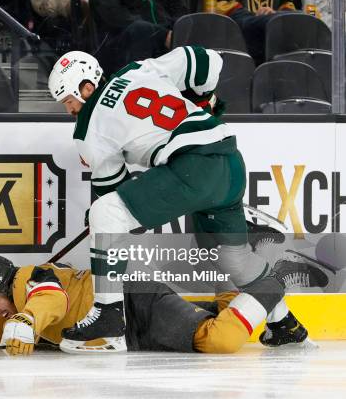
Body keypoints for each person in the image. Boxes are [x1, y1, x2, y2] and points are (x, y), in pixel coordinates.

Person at [46, 47, 312, 353]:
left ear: (87, 88)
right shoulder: (137, 69)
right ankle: (284, 324)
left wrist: (107, 220)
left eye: (69, 101)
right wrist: (204, 101)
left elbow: (110, 191)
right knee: (234, 260)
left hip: (193, 168)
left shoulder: (88, 128)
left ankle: (108, 317)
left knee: (104, 213)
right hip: (229, 160)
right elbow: (207, 60)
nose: (69, 110)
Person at [0, 255, 327, 355]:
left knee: (220, 341)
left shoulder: (30, 279)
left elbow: (52, 300)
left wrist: (26, 318)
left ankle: (270, 283)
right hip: (132, 333)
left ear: (8, 284)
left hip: (133, 303)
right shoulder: (26, 297)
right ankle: (271, 319)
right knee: (202, 325)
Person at [86, 0, 189, 75]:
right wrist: (161, 35)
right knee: (140, 29)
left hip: (164, 36)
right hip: (118, 43)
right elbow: (114, 16)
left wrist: (178, 29)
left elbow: (178, 6)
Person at [214, 0, 301, 64]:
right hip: (239, 29)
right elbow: (221, 4)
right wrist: (258, 17)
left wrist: (274, 13)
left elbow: (287, 4)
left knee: (300, 18)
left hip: (274, 31)